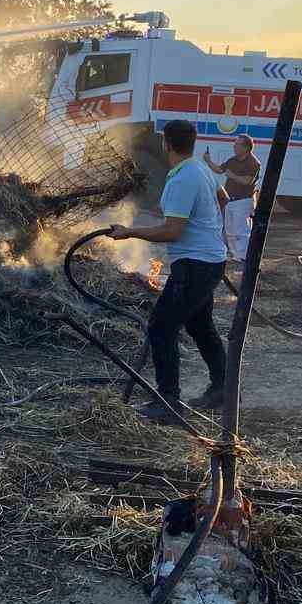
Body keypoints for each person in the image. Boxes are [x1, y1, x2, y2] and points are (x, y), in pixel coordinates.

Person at [108, 119, 231, 426]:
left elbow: (172, 231)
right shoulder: (200, 169)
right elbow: (224, 199)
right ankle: (223, 390)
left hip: (194, 265)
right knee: (200, 327)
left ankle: (168, 401)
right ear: (191, 143)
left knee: (162, 327)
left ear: (166, 145)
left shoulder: (181, 180)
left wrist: (129, 232)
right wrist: (211, 232)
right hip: (209, 261)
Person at [204, 134, 261, 261]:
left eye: (237, 144)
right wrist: (208, 161)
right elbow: (219, 170)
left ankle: (243, 256)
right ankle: (235, 255)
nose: (234, 146)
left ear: (246, 148)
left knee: (241, 231)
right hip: (231, 200)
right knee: (229, 230)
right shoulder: (233, 160)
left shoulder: (253, 162)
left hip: (243, 200)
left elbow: (248, 181)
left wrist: (232, 175)